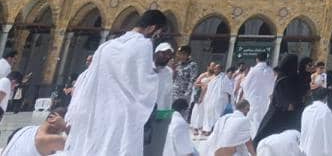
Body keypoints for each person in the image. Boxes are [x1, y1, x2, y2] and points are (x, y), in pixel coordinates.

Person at [63, 8, 166, 155]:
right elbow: (144, 83)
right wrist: (158, 74)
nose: (154, 37)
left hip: (99, 110)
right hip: (124, 114)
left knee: (96, 147)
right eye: (156, 34)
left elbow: (91, 78)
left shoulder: (107, 45)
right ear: (151, 28)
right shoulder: (143, 45)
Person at [253, 54, 308, 143]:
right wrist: (289, 105)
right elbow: (280, 98)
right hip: (280, 113)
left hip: (290, 114)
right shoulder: (283, 79)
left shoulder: (293, 78)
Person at [2, 100, 69, 155]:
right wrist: (65, 127)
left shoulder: (25, 129)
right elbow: (74, 146)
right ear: (52, 119)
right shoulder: (48, 139)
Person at [298, 88, 332, 156]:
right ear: (326, 98)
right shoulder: (326, 111)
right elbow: (331, 133)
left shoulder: (306, 110)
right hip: (319, 151)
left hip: (306, 149)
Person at [242, 53, 275, 136]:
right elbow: (272, 86)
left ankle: (254, 137)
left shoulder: (253, 71)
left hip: (253, 98)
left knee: (252, 119)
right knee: (261, 118)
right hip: (264, 99)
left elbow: (245, 85)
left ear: (257, 59)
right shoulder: (270, 71)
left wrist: (247, 95)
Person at [203, 65, 236, 134]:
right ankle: (208, 129)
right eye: (215, 69)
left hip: (220, 100)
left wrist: (230, 102)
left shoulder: (224, 78)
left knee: (217, 115)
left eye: (217, 69)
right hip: (211, 99)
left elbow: (229, 91)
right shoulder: (213, 78)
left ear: (221, 70)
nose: (215, 70)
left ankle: (215, 130)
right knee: (209, 114)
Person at [173, 46, 201, 118]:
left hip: (184, 93)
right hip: (175, 92)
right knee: (173, 112)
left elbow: (192, 80)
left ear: (188, 55)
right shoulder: (178, 64)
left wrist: (187, 94)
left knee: (183, 113)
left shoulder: (192, 65)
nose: (181, 56)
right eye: (180, 54)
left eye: (183, 54)